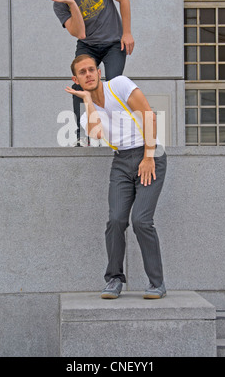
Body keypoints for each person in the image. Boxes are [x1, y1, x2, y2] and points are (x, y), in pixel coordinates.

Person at [65, 54, 167, 299]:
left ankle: (157, 283)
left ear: (99, 72)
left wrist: (148, 156)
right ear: (76, 79)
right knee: (116, 221)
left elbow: (149, 115)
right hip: (121, 161)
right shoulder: (86, 111)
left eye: (92, 69)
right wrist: (88, 100)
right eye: (83, 72)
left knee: (142, 221)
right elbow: (96, 134)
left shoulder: (119, 84)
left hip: (150, 154)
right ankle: (113, 279)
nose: (88, 74)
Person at [34, 0, 135, 146]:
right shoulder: (60, 6)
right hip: (88, 46)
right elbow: (80, 33)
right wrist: (72, 3)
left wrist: (127, 33)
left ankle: (118, 131)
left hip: (114, 44)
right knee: (79, 86)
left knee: (114, 84)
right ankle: (82, 136)